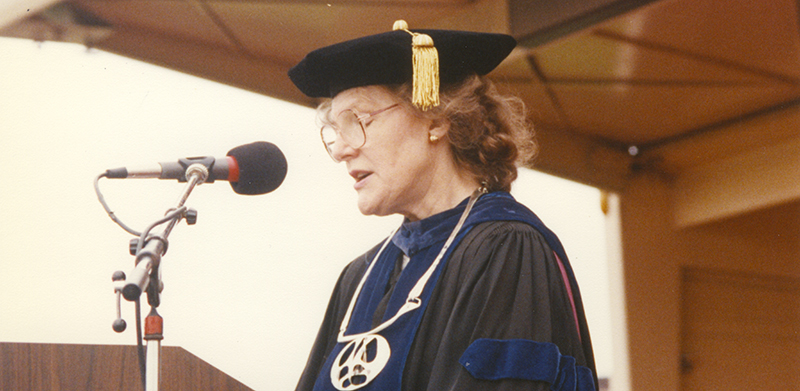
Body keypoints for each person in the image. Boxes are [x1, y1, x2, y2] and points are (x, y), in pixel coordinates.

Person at [288, 20, 597, 391]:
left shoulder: (507, 247)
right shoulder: (359, 278)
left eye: (357, 121)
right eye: (334, 131)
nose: (340, 150)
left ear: (435, 119)